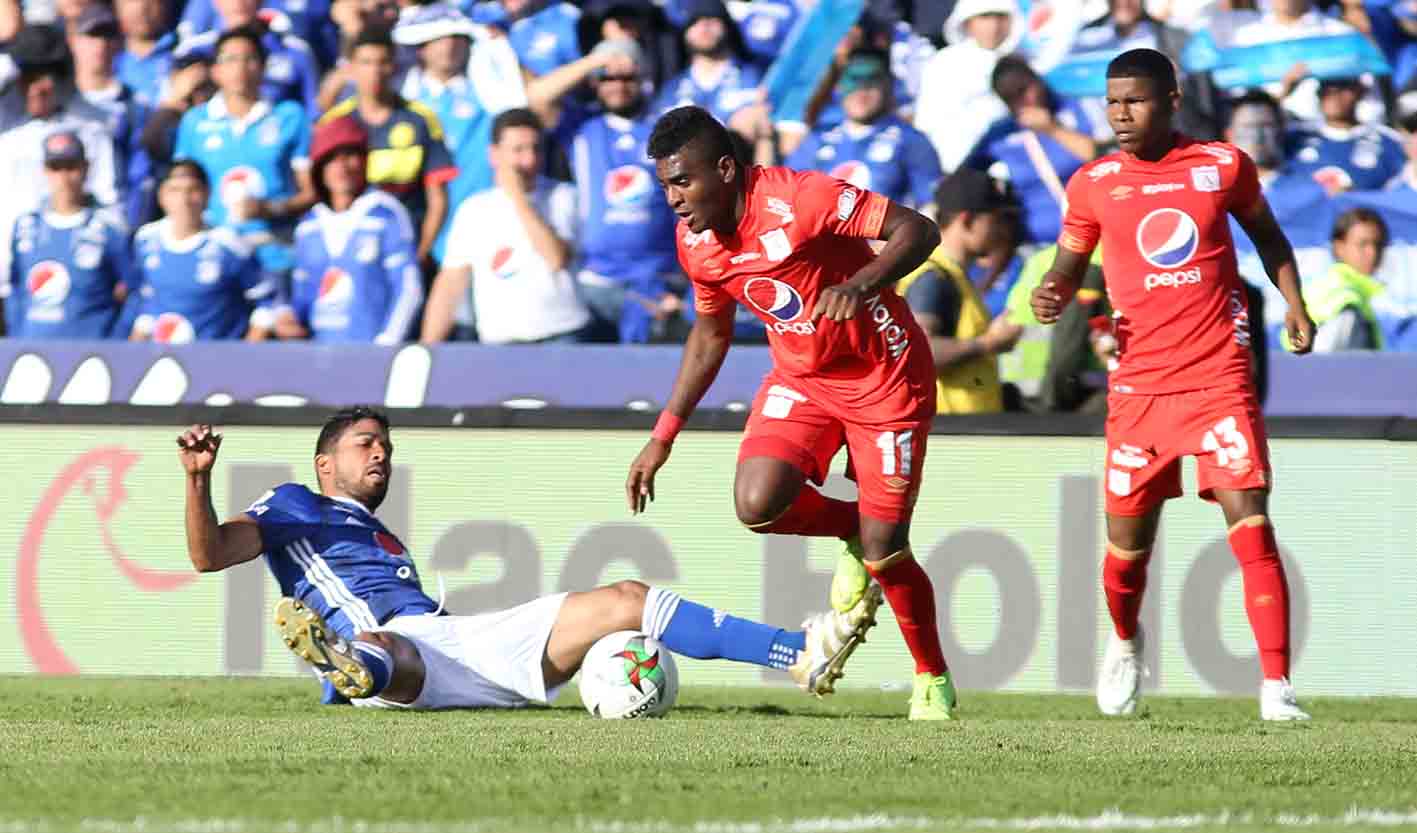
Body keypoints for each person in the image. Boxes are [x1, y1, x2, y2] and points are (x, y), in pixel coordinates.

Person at [176, 407, 880, 708]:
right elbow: (209, 557)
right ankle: (355, 667)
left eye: (386, 444)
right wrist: (198, 479)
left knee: (625, 598)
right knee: (392, 641)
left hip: (458, 641)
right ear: (325, 461)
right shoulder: (295, 502)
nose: (382, 453)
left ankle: (798, 653)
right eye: (367, 443)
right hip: (401, 650)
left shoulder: (384, 537)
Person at [626, 105, 957, 720]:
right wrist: (663, 436)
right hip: (804, 379)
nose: (673, 198)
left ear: (725, 170)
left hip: (884, 379)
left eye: (683, 182)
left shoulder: (803, 197)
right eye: (665, 184)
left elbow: (921, 230)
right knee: (757, 503)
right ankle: (851, 525)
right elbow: (710, 334)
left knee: (889, 552)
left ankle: (931, 675)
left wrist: (863, 284)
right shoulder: (695, 241)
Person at [1030, 48, 1316, 721]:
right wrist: (1051, 289)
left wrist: (1294, 304)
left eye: (1134, 99)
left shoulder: (1220, 165)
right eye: (1111, 102)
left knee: (1249, 519)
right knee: (1127, 549)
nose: (1120, 114)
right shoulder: (1094, 181)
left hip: (1217, 373)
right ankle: (1126, 640)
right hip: (1139, 387)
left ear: (1171, 100)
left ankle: (1275, 685)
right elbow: (1067, 265)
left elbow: (1270, 240)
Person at [421, 108, 590, 344]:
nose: (529, 160)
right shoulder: (474, 210)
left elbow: (556, 258)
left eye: (535, 149)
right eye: (519, 150)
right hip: (501, 339)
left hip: (561, 332)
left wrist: (518, 199)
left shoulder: (563, 197)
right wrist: (426, 347)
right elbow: (450, 284)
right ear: (494, 154)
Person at [567, 39, 682, 343]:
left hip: (661, 278)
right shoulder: (581, 127)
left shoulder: (667, 128)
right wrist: (597, 60)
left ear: (642, 79)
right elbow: (537, 99)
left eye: (627, 77)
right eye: (608, 78)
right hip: (598, 280)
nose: (618, 85)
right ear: (595, 82)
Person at [321, 26, 458, 273]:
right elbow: (323, 195)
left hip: (407, 248)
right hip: (351, 256)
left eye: (382, 62)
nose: (375, 71)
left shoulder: (421, 120)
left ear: (394, 66)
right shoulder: (335, 123)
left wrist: (421, 254)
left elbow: (438, 198)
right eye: (366, 62)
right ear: (351, 68)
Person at [277, 117, 423, 344]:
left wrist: (387, 342)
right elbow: (303, 295)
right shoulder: (308, 226)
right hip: (321, 356)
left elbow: (408, 287)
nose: (342, 167)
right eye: (332, 159)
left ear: (364, 161)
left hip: (372, 353)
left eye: (350, 156)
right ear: (320, 169)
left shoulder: (385, 214)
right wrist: (288, 318)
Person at [896, 168, 1022, 414]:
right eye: (996, 219)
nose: (1002, 230)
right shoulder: (933, 277)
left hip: (964, 432)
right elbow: (916, 353)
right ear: (967, 220)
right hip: (946, 433)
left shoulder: (954, 275)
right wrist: (989, 343)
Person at [2, 130, 134, 339]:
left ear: (86, 168)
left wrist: (115, 341)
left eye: (71, 167)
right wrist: (17, 334)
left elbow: (134, 291)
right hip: (32, 352)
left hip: (91, 354)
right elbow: (15, 288)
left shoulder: (108, 228)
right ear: (45, 171)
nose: (63, 177)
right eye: (56, 167)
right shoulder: (25, 226)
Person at [131, 160, 276, 342]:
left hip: (217, 361)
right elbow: (147, 303)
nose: (184, 200)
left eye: (193, 190)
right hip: (166, 361)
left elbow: (266, 303)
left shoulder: (229, 244)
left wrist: (246, 354)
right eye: (175, 190)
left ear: (207, 195)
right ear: (161, 196)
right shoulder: (146, 239)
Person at [782, 48, 942, 210]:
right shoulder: (817, 139)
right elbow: (786, 197)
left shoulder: (911, 141)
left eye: (871, 83)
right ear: (839, 87)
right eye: (853, 81)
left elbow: (930, 207)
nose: (861, 93)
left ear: (887, 86)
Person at [965, 55, 1098, 246]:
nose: (1022, 102)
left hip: (1096, 232)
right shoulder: (1000, 134)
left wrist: (1052, 129)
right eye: (1009, 98)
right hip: (1041, 243)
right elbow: (966, 175)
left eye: (1023, 90)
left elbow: (1101, 155)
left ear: (1036, 80)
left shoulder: (1079, 108)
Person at [1284, 77, 1406, 194]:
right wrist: (1285, 92)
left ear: (1360, 91)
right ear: (1318, 93)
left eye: (1343, 86)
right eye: (1327, 87)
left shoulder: (1389, 141)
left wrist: (1354, 198)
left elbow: (1402, 192)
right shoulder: (1294, 137)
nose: (1333, 93)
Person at [1295, 207, 1388, 352]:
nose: (1372, 252)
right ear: (1339, 247)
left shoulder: (1345, 291)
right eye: (1363, 244)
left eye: (1378, 244)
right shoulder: (1345, 302)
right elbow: (1328, 366)